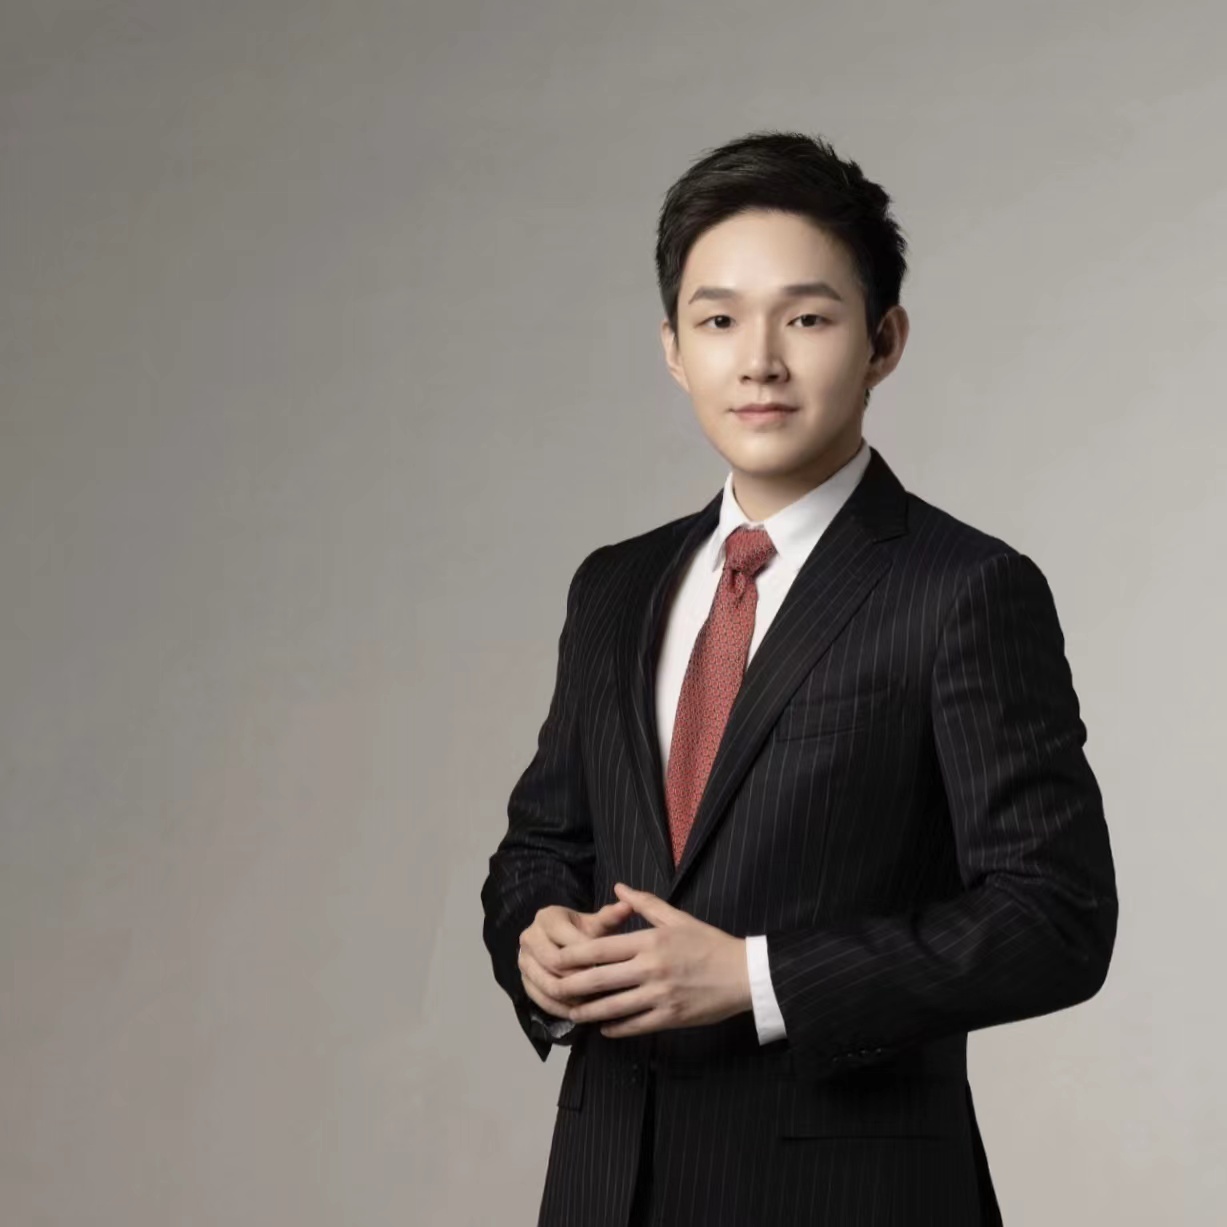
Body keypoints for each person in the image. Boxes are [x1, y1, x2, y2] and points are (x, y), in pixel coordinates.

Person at [480, 129, 1118, 1227]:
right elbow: (542, 847)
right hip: (604, 1184)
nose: (759, 361)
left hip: (845, 1191)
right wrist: (537, 937)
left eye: (808, 319)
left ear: (883, 341)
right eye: (718, 320)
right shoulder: (615, 588)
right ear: (673, 350)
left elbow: (1053, 917)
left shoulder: (963, 589)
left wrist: (755, 979)